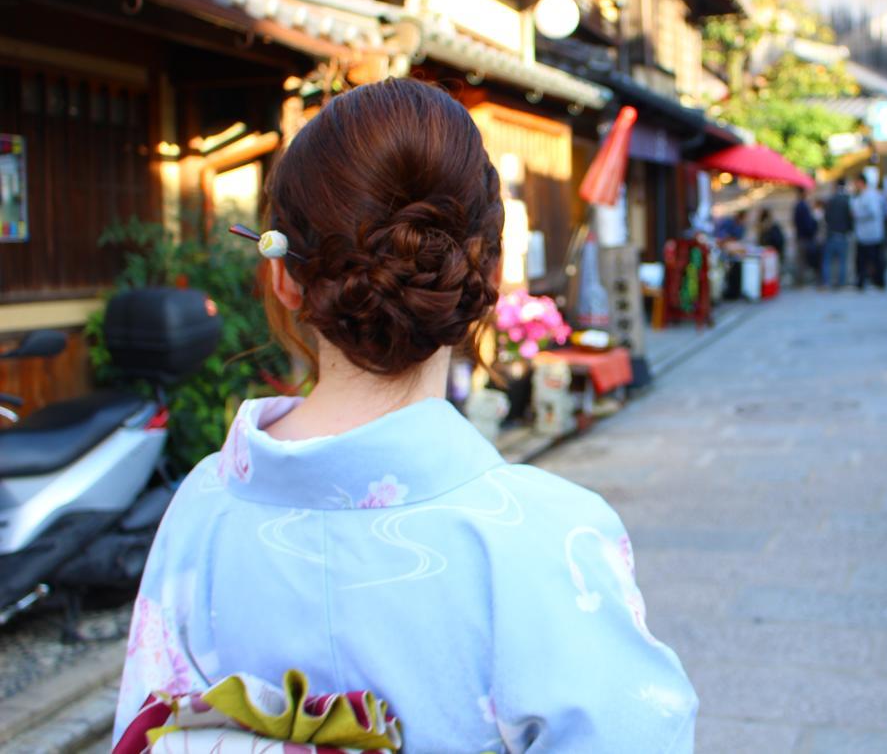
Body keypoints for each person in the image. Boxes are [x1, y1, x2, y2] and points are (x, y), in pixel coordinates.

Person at [112, 80, 697, 752]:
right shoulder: (546, 537)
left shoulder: (201, 512)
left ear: (284, 278)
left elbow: (145, 724)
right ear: (491, 270)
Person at [852, 173, 887, 291]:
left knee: (874, 259)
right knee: (863, 259)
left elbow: (874, 212)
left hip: (871, 234)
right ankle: (863, 281)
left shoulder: (870, 195)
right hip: (865, 234)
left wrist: (858, 215)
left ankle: (878, 281)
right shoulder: (862, 195)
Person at [820, 179, 854, 288]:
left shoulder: (831, 200)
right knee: (842, 261)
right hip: (842, 233)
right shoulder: (847, 200)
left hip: (831, 233)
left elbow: (826, 217)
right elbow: (850, 218)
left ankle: (826, 282)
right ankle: (841, 282)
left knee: (827, 260)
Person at [792, 188, 820, 285]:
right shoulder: (803, 206)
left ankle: (800, 281)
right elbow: (807, 224)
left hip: (801, 236)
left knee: (801, 260)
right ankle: (800, 282)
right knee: (802, 261)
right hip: (805, 237)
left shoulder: (798, 206)